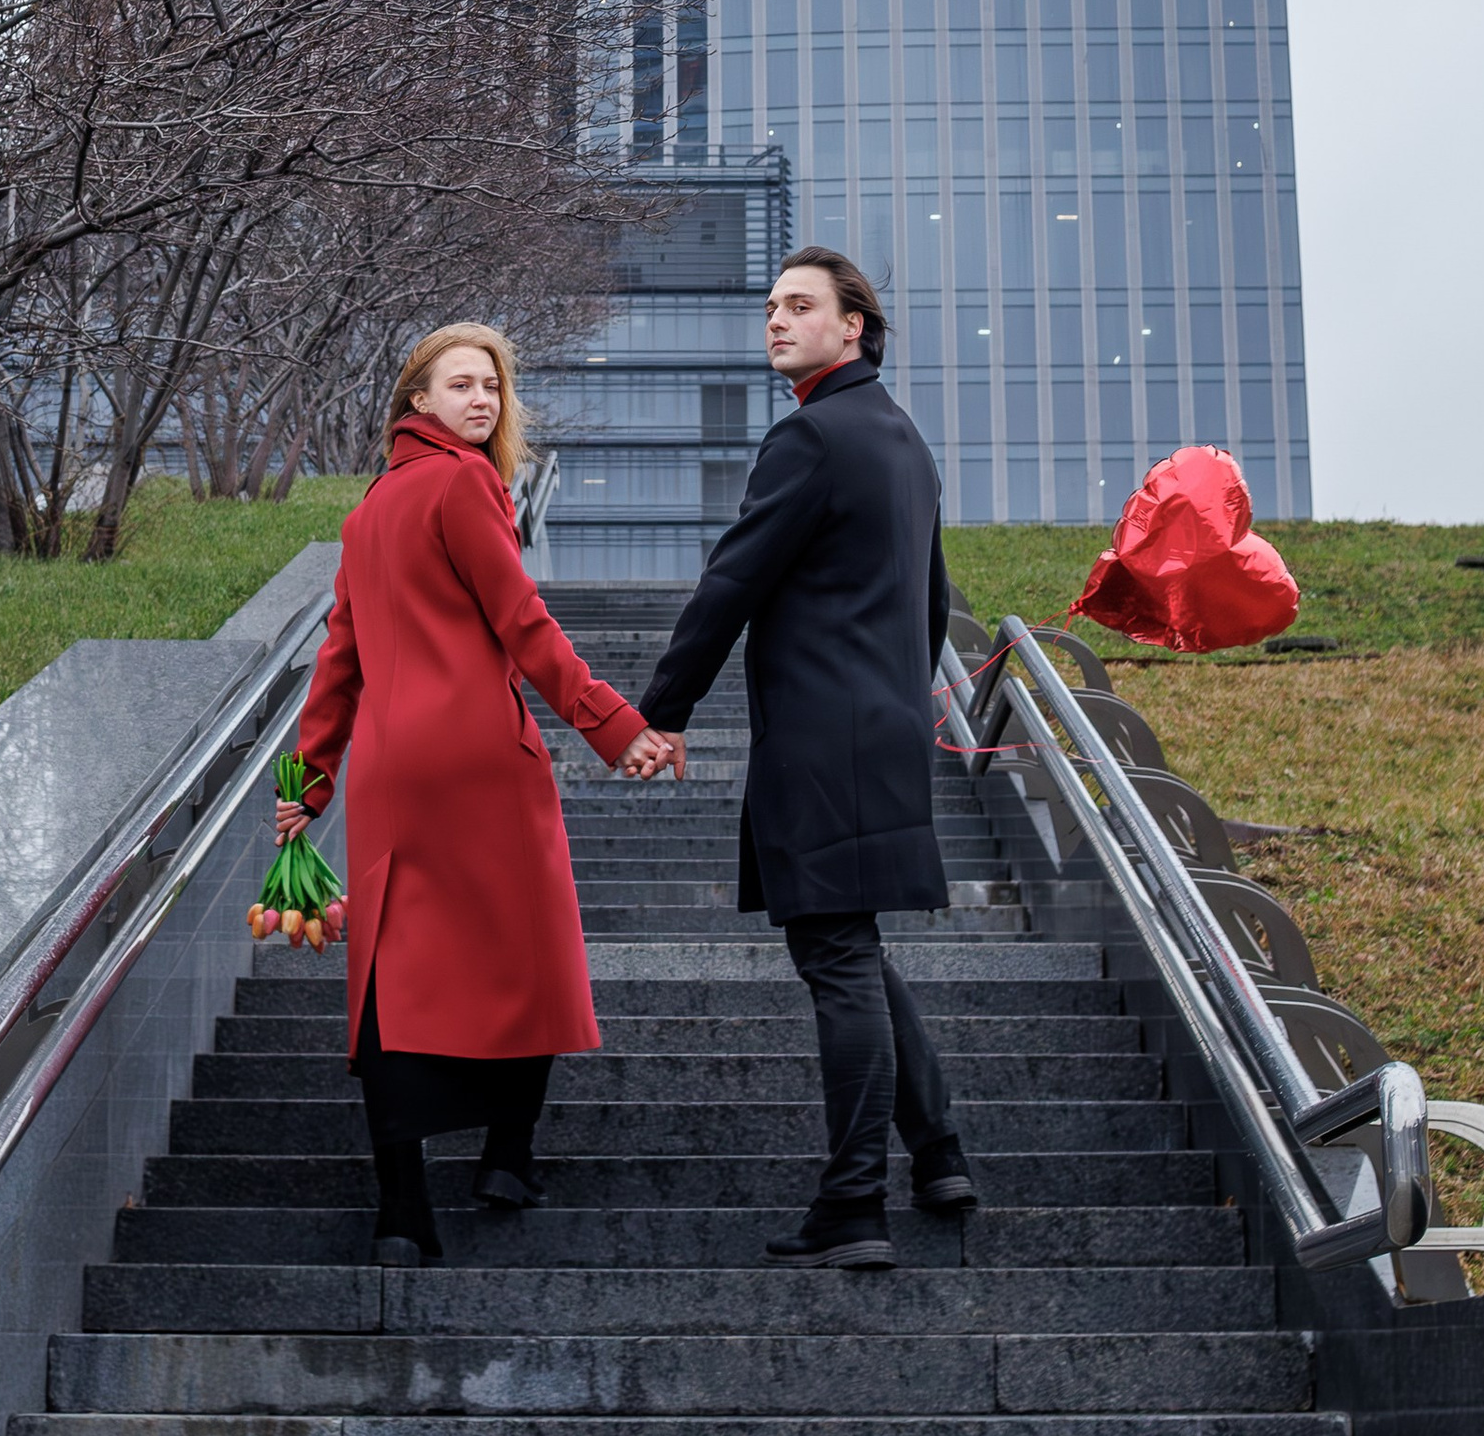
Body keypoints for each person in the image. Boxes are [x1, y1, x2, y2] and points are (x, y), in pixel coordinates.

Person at [284, 319, 682, 1264]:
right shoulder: (468, 484)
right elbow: (524, 622)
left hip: (391, 777)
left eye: (493, 388)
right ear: (416, 399)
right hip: (481, 762)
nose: (482, 401)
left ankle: (401, 1212)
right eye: (460, 385)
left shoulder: (371, 507)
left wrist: (307, 783)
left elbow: (335, 663)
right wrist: (615, 727)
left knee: (389, 972)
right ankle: (507, 1152)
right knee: (527, 954)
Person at [633, 245, 976, 1268]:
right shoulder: (903, 440)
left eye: (799, 306)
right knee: (854, 946)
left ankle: (853, 1205)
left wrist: (662, 712)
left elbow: (729, 585)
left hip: (821, 743)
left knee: (833, 957)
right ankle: (940, 1153)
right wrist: (892, 704)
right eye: (771, 306)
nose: (776, 321)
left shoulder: (810, 437)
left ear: (850, 326)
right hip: (883, 733)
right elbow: (927, 605)